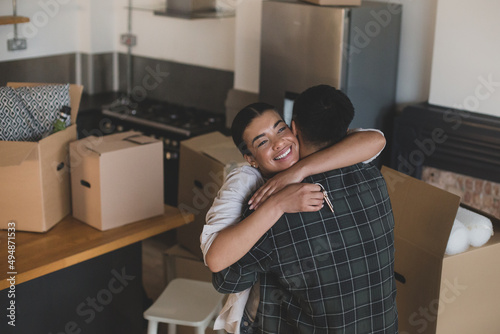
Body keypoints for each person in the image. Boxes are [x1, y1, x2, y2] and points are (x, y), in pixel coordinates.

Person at [212, 85, 398, 333]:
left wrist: (281, 195)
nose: (278, 143)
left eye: (281, 129)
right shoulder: (374, 180)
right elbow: (376, 138)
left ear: (294, 128)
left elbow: (226, 279)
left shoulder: (277, 209)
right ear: (346, 128)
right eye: (263, 141)